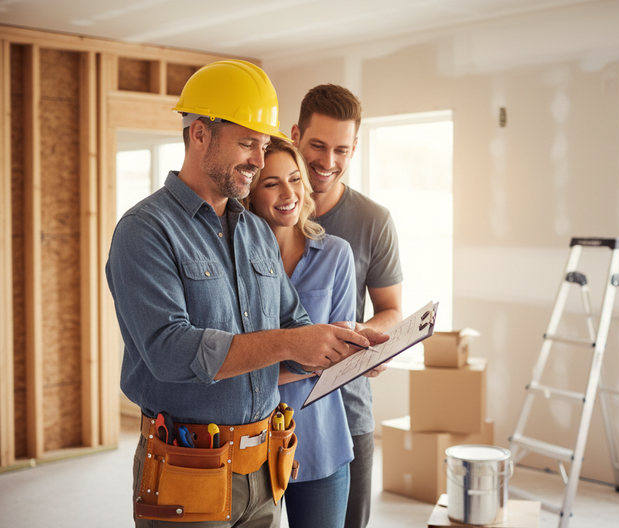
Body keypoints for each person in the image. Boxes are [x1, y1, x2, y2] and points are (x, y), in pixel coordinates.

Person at [105, 60, 384, 528]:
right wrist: (294, 342)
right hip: (187, 464)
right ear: (199, 135)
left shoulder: (254, 232)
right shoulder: (145, 231)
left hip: (263, 467)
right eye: (247, 143)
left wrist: (345, 348)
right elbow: (169, 352)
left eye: (262, 144)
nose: (259, 159)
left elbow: (294, 323)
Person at [292, 84, 404, 528]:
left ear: (355, 146)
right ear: (296, 134)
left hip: (345, 409)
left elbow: (392, 309)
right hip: (263, 411)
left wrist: (357, 335)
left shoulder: (373, 220)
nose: (327, 162)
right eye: (317, 145)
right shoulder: (257, 208)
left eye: (342, 149)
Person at [243, 137, 356, 528]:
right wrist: (312, 356)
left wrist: (261, 364)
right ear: (251, 194)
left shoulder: (337, 255)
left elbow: (342, 355)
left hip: (322, 439)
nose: (288, 192)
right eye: (271, 183)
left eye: (294, 178)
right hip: (251, 446)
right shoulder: (234, 264)